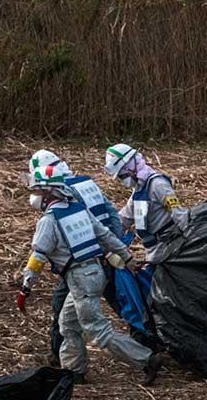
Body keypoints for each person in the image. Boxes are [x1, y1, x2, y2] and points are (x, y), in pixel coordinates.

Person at [21, 149, 165, 384]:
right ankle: (74, 370)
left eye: (37, 190)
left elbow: (38, 256)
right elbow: (107, 231)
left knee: (98, 329)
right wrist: (125, 258)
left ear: (48, 192)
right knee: (67, 322)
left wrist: (26, 286)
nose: (34, 195)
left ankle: (145, 358)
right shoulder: (79, 204)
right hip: (96, 270)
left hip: (80, 278)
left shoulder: (49, 220)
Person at [103, 142, 189, 259]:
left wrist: (192, 240)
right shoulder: (138, 190)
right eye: (120, 178)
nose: (123, 180)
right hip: (153, 249)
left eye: (123, 176)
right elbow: (125, 218)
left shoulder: (158, 185)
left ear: (131, 166)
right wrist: (105, 233)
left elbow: (178, 213)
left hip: (168, 247)